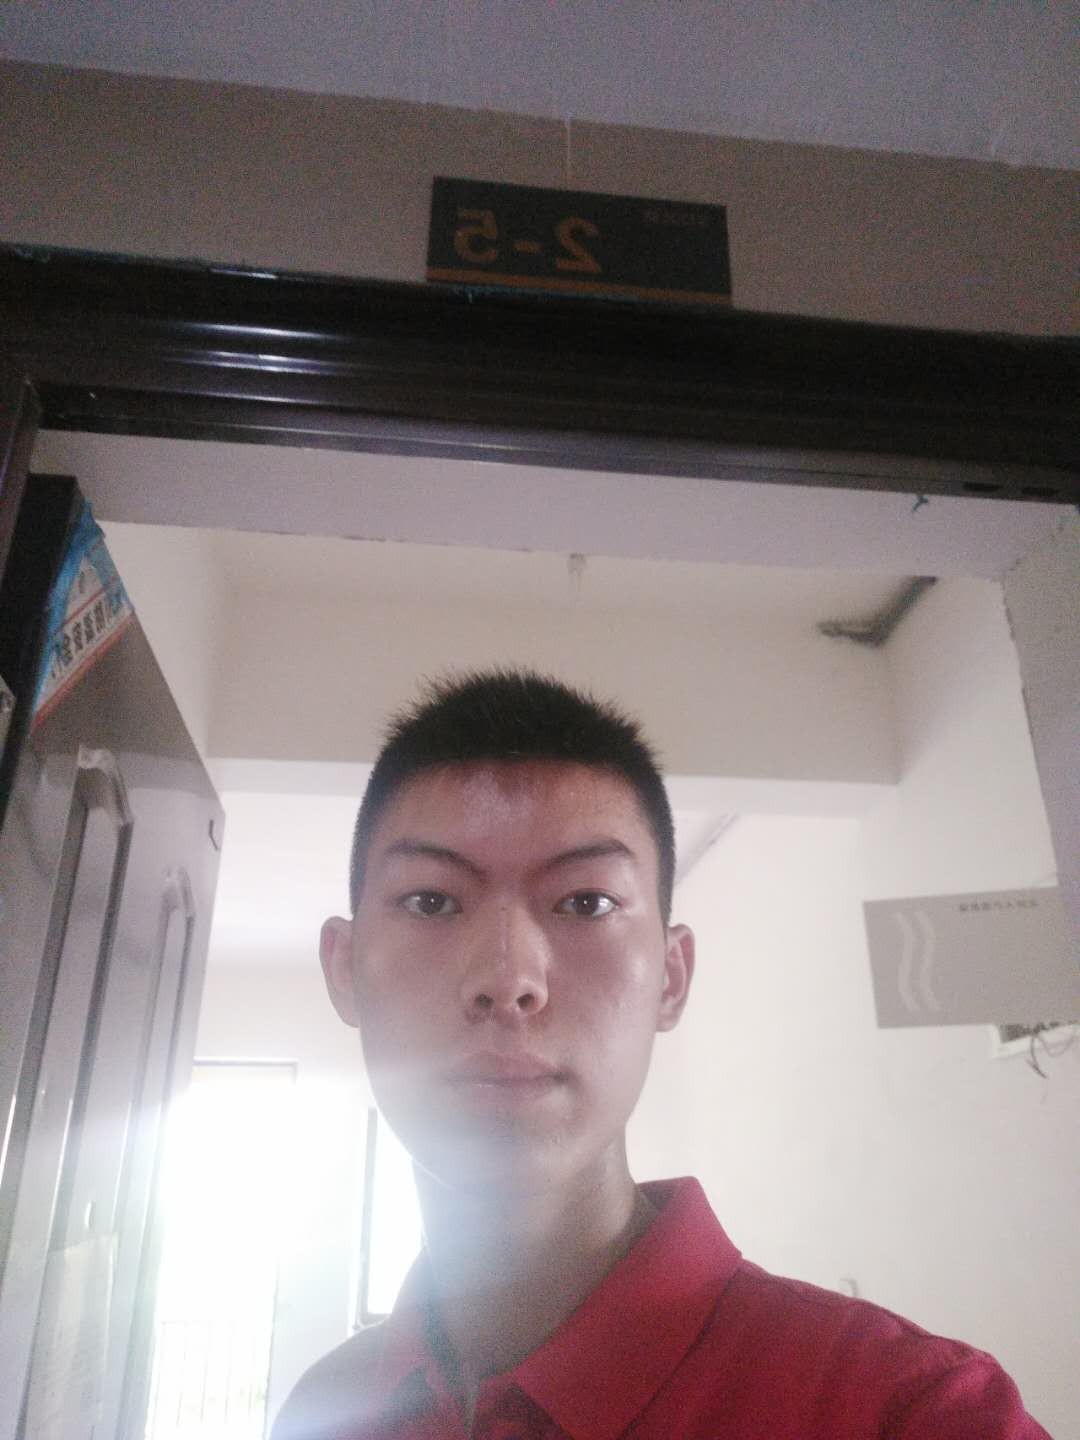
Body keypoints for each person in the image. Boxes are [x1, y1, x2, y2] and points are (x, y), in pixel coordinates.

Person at [273, 669, 1051, 1439]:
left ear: (671, 979)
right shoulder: (322, 1414)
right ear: (345, 969)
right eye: (432, 901)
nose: (507, 980)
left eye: (586, 902)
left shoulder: (907, 1411)